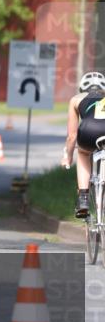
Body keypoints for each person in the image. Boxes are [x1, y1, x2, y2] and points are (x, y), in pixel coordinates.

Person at [62, 71, 105, 218]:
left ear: (82, 87)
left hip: (89, 131)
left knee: (83, 153)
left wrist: (67, 156)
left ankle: (83, 199)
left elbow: (72, 136)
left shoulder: (76, 99)